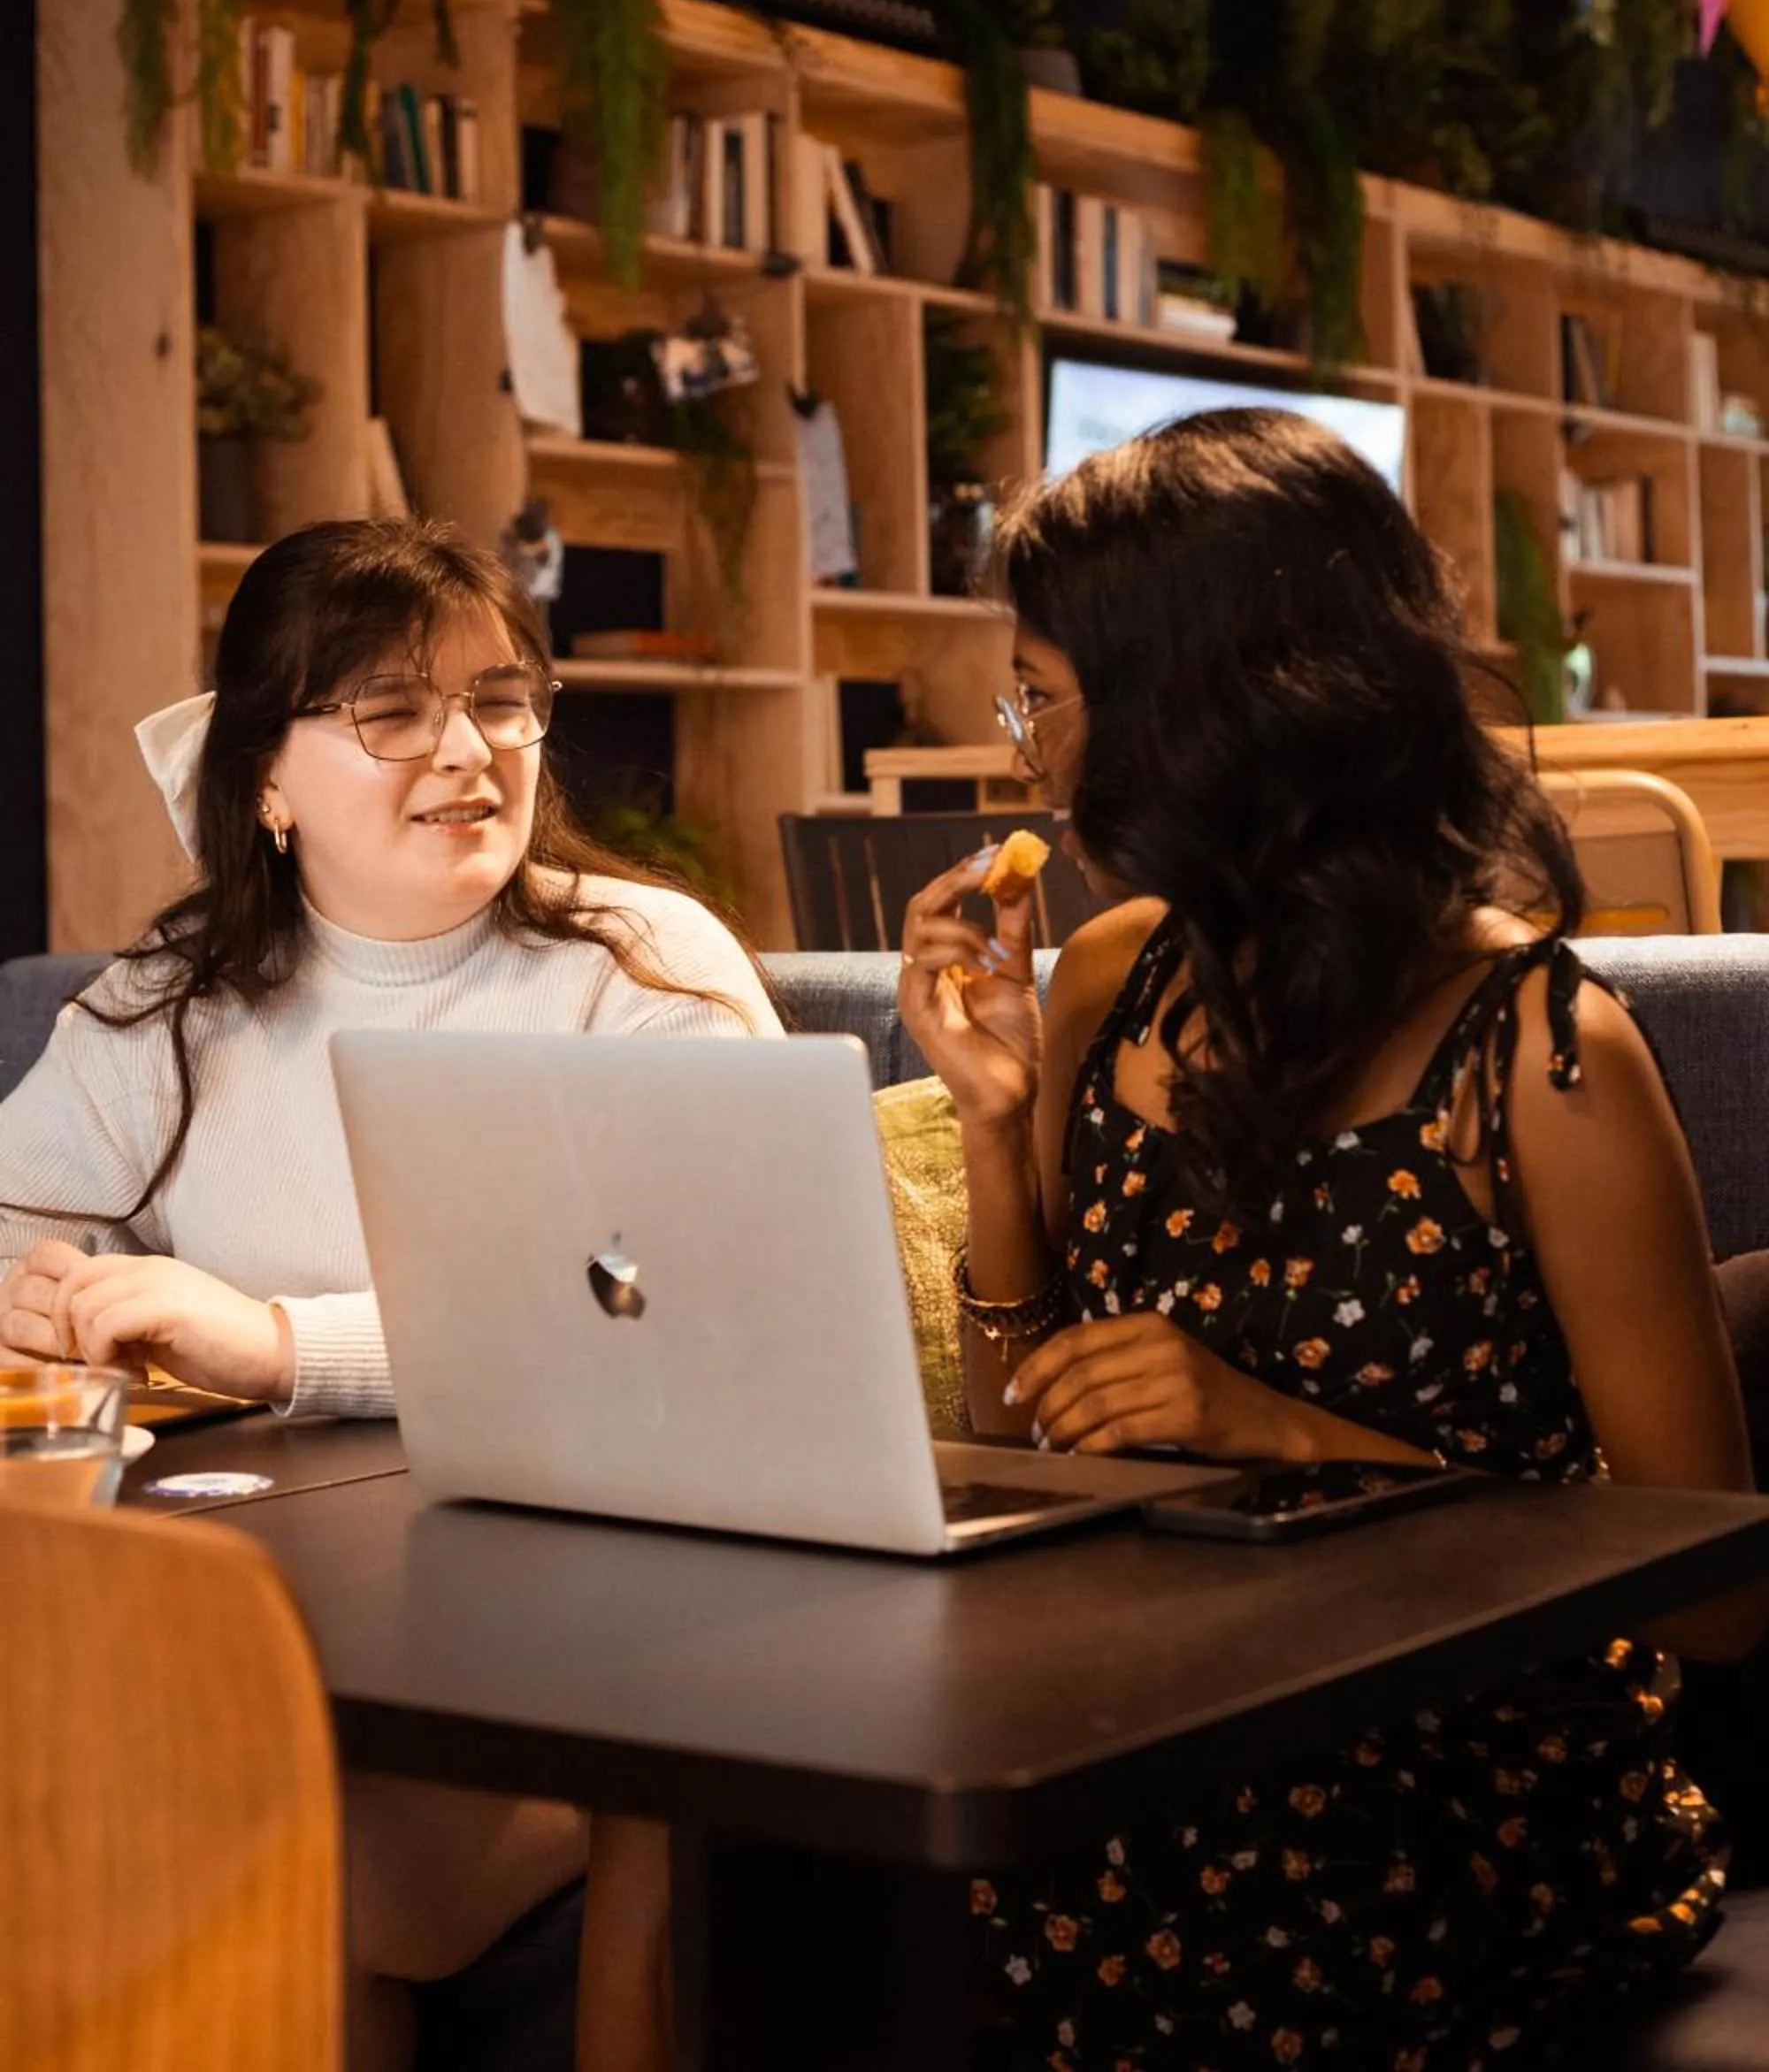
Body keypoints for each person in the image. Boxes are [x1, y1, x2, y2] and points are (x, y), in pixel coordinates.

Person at [896, 408, 1767, 2071]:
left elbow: (1714, 1600)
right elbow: (1024, 1437)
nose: (1025, 760)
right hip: (1153, 1728)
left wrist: (1285, 1432)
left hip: (1456, 1792)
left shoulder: (1538, 1053)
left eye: (1044, 701)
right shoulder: (1110, 980)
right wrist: (994, 1134)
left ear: (1197, 711)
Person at [0, 514, 779, 2072]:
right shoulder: (175, 1000)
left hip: (592, 1650)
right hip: (244, 1630)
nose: (468, 752)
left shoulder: (638, 966)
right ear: (264, 779)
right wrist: (57, 1302)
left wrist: (279, 1343)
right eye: (391, 711)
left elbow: (667, 1297)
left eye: (500, 701)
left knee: (257, 1882)